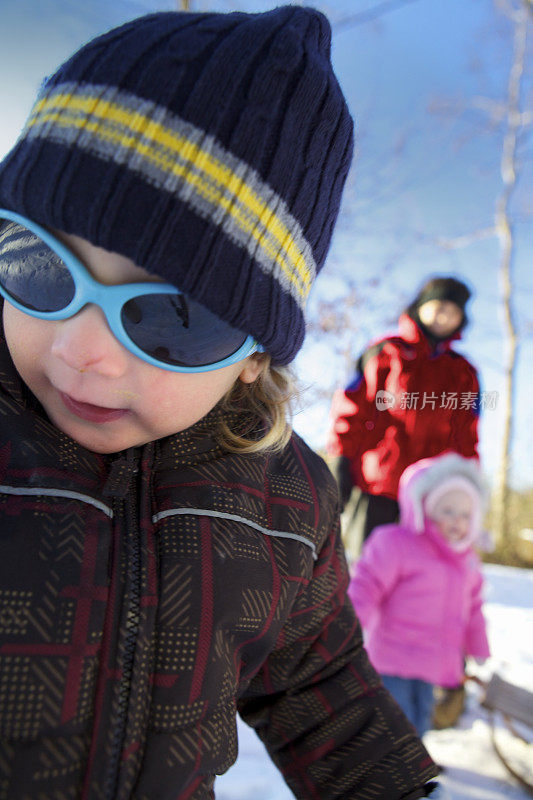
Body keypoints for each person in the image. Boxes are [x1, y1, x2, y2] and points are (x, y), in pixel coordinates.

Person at [0, 8, 445, 799]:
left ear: (253, 357)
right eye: (39, 265)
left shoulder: (282, 502)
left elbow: (321, 691)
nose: (81, 351)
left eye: (171, 317)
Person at [327, 276, 480, 558]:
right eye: (440, 305)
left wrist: (469, 481)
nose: (446, 315)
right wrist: (341, 459)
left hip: (433, 493)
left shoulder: (464, 371)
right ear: (420, 306)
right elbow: (352, 407)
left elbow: (467, 430)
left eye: (455, 310)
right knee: (369, 569)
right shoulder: (386, 351)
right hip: (378, 482)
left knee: (419, 576)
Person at [348, 452, 491, 737]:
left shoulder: (465, 562)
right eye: (447, 510)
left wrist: (478, 646)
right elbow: (367, 584)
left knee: (421, 722)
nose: (456, 520)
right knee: (393, 722)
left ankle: (412, 767)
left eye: (465, 514)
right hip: (392, 658)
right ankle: (391, 770)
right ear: (423, 506)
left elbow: (473, 609)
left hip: (434, 665)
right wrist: (349, 623)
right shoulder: (397, 544)